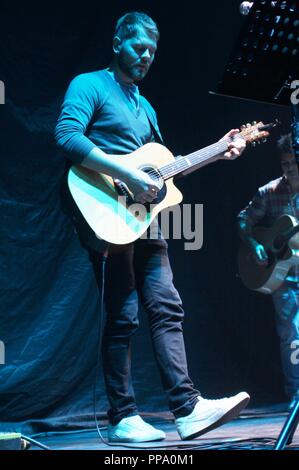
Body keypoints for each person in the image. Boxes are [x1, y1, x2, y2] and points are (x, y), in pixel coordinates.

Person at [55, 11, 249, 443]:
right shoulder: (90, 85)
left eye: (152, 51)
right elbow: (67, 137)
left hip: (146, 221)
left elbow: (163, 173)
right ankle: (122, 416)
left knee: (167, 306)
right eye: (138, 47)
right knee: (123, 316)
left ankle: (187, 408)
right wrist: (125, 175)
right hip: (106, 212)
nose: (145, 57)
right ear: (118, 40)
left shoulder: (144, 106)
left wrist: (220, 151)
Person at [237, 133, 299, 410]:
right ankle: (296, 394)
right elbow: (243, 220)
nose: (288, 168)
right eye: (284, 162)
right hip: (284, 276)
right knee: (293, 336)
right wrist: (253, 244)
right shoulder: (269, 191)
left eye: (293, 162)